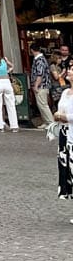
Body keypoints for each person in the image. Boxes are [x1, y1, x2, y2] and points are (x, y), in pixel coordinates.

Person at [55, 74, 73, 220]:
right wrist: (58, 116)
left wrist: (63, 117)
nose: (69, 71)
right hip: (64, 135)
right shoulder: (65, 92)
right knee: (68, 172)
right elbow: (59, 110)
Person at [31, 43, 56, 128]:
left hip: (42, 85)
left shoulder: (39, 60)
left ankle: (51, 122)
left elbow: (40, 74)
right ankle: (46, 122)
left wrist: (36, 85)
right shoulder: (41, 59)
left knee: (43, 104)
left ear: (32, 50)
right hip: (43, 85)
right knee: (41, 104)